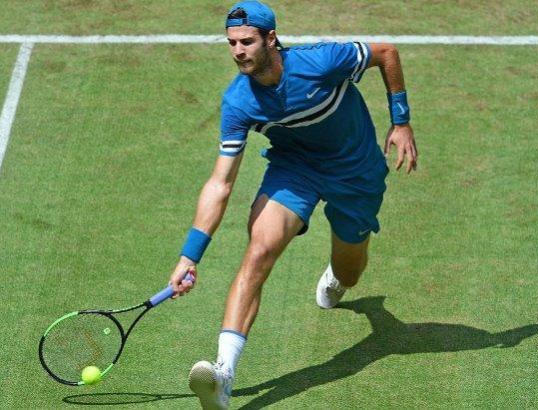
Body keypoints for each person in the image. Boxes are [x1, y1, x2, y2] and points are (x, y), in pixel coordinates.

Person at [168, 1, 417, 408]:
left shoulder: (321, 62)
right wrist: (189, 256)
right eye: (231, 43)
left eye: (247, 42)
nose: (238, 51)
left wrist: (400, 121)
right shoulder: (239, 101)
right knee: (259, 251)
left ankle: (338, 277)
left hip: (354, 172)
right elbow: (220, 183)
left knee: (350, 271)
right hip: (295, 170)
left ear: (271, 39)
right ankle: (223, 375)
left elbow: (386, 53)